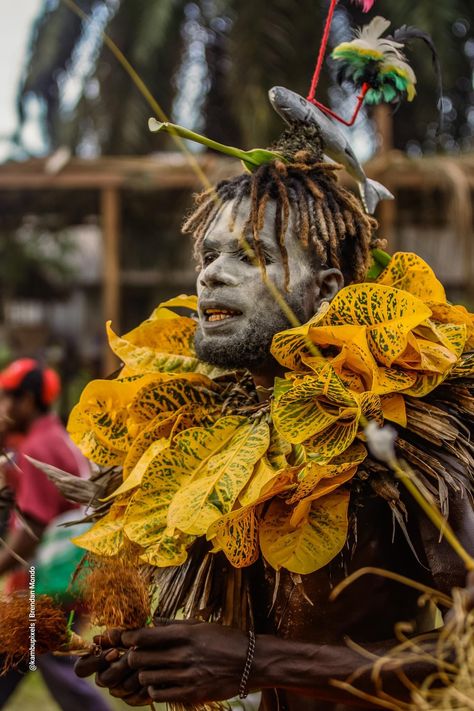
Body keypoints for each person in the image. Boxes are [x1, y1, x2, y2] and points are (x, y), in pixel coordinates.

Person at [74, 143, 474, 710]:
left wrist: (257, 662)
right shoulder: (207, 434)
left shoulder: (403, 434)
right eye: (208, 255)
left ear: (326, 289)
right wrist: (164, 665)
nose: (212, 274)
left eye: (249, 255)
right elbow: (239, 650)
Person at [0, 358, 112, 711]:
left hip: (44, 583)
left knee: (46, 656)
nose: (2, 406)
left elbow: (33, 525)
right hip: (69, 574)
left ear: (28, 401)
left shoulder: (37, 447)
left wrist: (1, 564)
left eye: (8, 397)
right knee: (17, 653)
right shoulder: (58, 436)